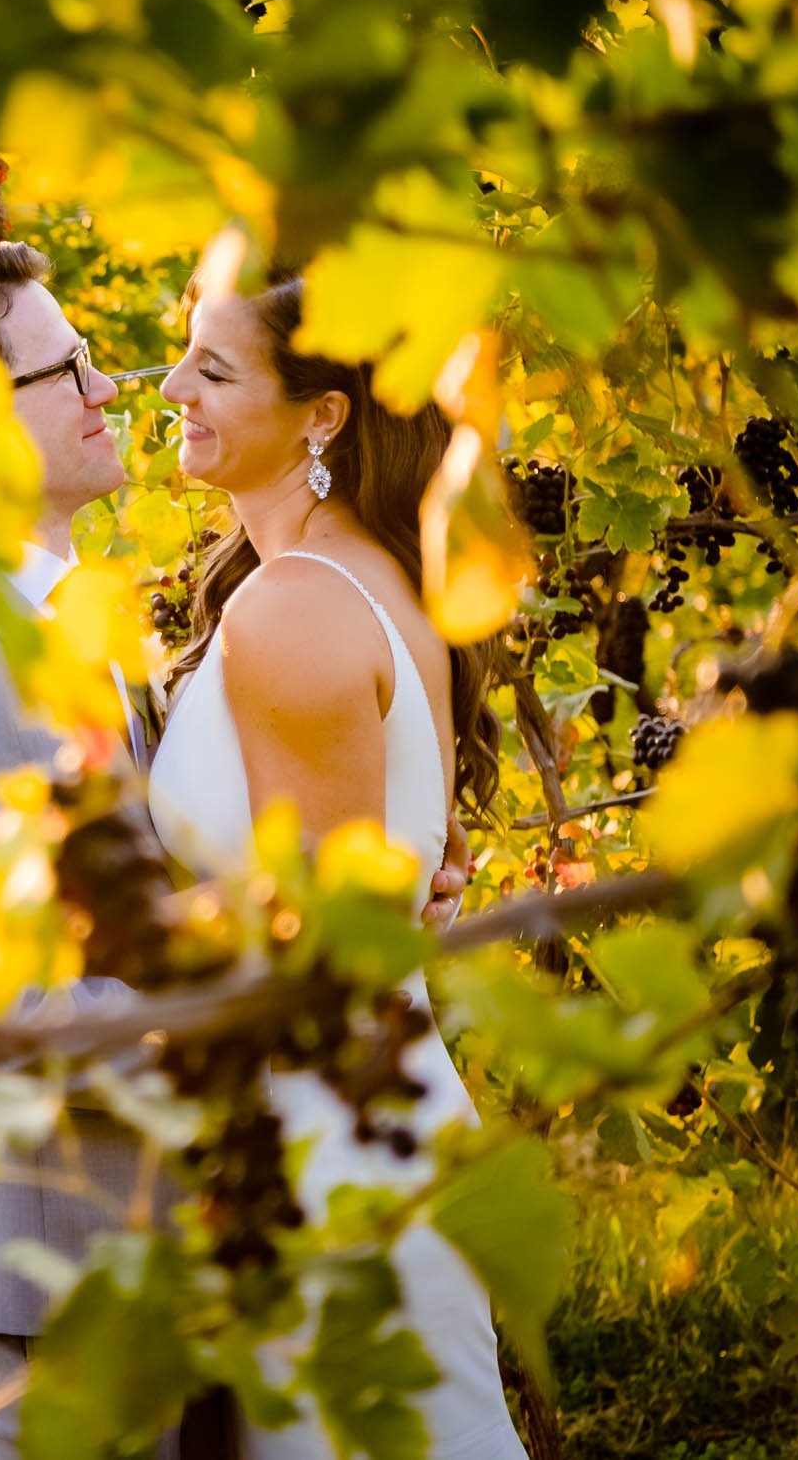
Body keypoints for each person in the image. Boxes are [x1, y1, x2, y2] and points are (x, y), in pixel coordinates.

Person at [0, 243, 470, 1460]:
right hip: (47, 1265)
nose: (107, 388)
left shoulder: (80, 615)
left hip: (186, 1232)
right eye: (63, 369)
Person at [148, 270, 531, 1458]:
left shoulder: (295, 608)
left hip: (331, 1155)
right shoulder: (353, 574)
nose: (172, 387)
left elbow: (311, 957)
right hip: (353, 1122)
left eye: (214, 370)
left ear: (321, 416)